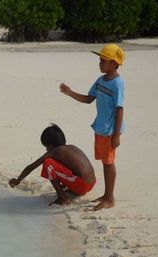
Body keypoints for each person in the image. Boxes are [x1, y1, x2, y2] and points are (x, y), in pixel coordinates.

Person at [59, 43, 125, 210]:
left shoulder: (117, 83)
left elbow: (119, 109)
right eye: (100, 60)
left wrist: (116, 134)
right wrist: (70, 93)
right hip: (100, 127)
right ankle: (106, 194)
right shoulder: (101, 80)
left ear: (114, 63)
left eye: (103, 61)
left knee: (109, 162)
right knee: (105, 161)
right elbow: (89, 99)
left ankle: (110, 198)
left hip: (110, 130)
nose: (100, 63)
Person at [9, 124, 96, 206]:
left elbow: (31, 167)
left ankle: (63, 198)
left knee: (48, 163)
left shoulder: (55, 151)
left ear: (51, 144)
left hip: (83, 185)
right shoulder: (71, 147)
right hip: (91, 183)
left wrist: (17, 180)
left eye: (46, 146)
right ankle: (67, 188)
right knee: (57, 163)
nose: (46, 150)